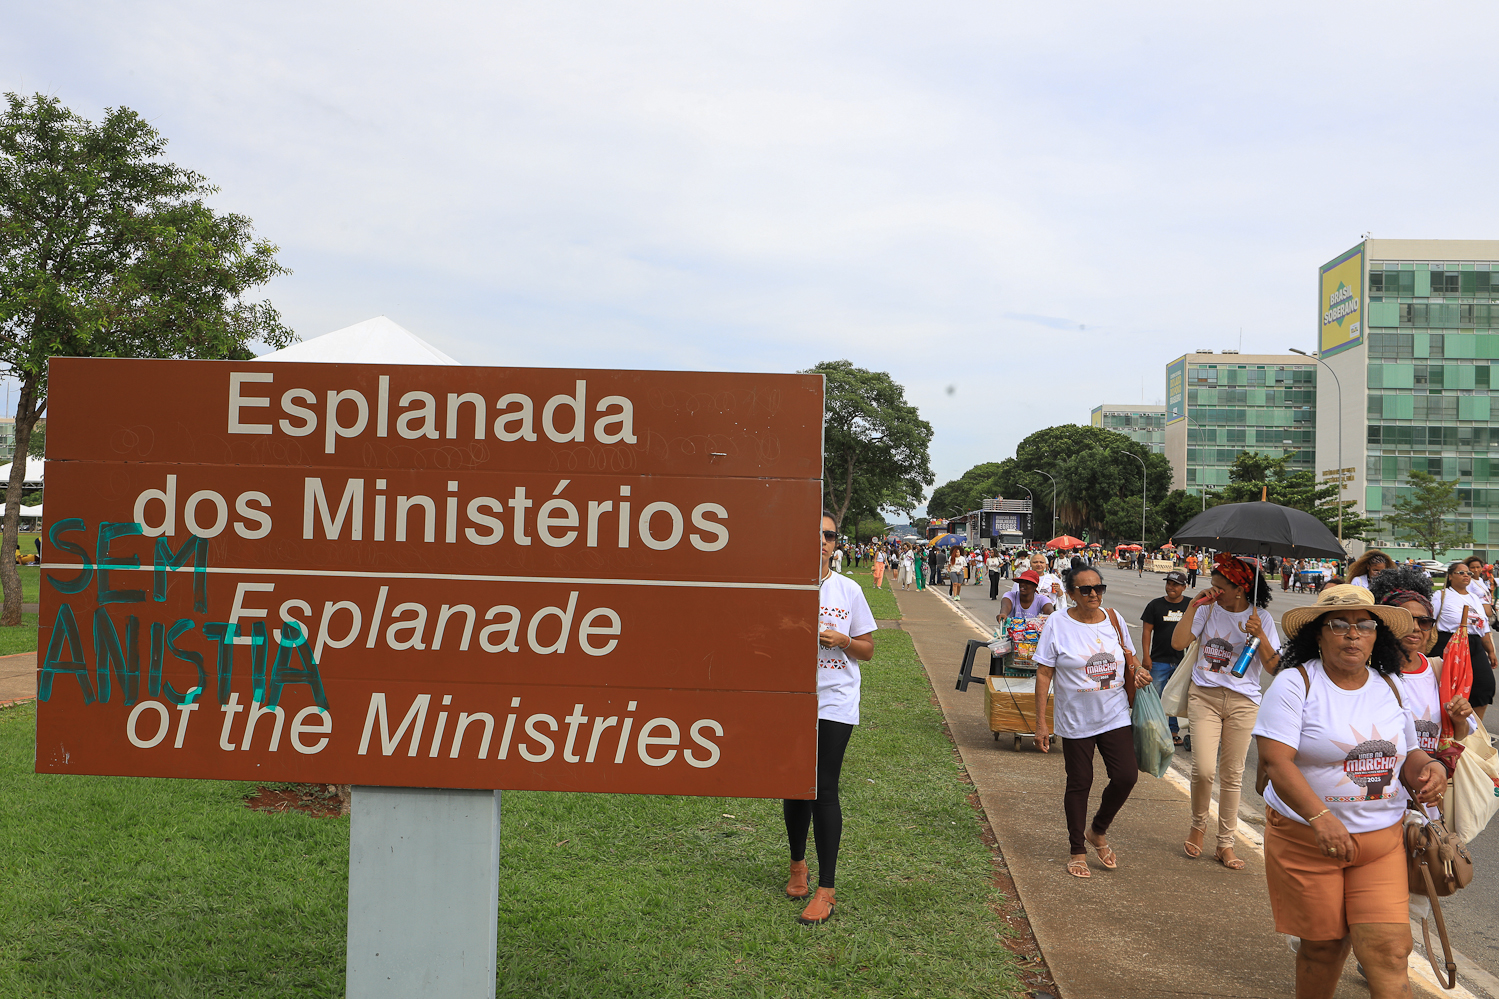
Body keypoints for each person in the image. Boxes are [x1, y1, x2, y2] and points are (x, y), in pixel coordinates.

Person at [1253, 585, 1446, 998]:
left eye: (1364, 625)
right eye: (1339, 624)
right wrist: (1321, 818)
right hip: (1308, 842)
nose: (1352, 634)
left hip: (1381, 843)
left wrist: (1431, 769)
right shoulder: (1295, 684)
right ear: (1318, 635)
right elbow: (1275, 762)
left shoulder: (1390, 686)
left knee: (1392, 952)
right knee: (1323, 949)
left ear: (1378, 636)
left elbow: (1409, 753)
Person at [786, 512, 877, 924]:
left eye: (829, 535)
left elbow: (868, 650)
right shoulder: (782, 587)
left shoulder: (848, 590)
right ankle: (796, 864)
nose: (822, 540)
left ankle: (826, 889)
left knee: (823, 788)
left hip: (835, 699)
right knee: (793, 785)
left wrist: (843, 640)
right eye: (815, 533)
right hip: (789, 698)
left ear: (835, 543)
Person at [1032, 566, 1147, 879]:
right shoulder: (1057, 623)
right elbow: (1044, 673)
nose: (1093, 594)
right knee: (1080, 782)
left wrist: (1138, 672)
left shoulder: (1114, 618)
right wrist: (1042, 722)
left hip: (1115, 713)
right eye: (1085, 590)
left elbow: (1130, 659)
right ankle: (1077, 850)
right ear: (1070, 594)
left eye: (1098, 588)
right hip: (1075, 718)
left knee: (1126, 776)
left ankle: (1097, 830)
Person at [1170, 554, 1280, 871]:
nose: (1213, 591)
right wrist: (1194, 605)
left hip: (1244, 702)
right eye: (1212, 585)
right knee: (1203, 768)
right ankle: (1198, 824)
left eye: (1220, 586)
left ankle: (1225, 844)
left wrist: (1259, 636)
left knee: (1232, 775)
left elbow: (1274, 668)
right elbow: (1179, 643)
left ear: (1240, 588)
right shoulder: (1206, 610)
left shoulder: (1264, 620)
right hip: (1204, 696)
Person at [1432, 561, 1498, 722]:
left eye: (1468, 573)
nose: (1466, 575)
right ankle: (1448, 730)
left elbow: (1483, 629)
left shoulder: (1474, 598)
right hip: (1448, 644)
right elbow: (1429, 623)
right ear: (1450, 576)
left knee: (1485, 686)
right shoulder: (1441, 595)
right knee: (1449, 689)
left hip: (1474, 644)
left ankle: (1475, 731)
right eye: (1460, 573)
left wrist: (1490, 651)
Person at [1140, 570, 1191, 744]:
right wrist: (1146, 656)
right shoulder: (1155, 605)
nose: (1171, 587)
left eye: (1176, 584)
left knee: (1177, 698)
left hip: (1183, 662)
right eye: (1169, 583)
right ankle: (1155, 731)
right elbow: (1147, 632)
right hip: (1159, 660)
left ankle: (1173, 731)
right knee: (1156, 697)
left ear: (1184, 587)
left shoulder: (1191, 606)